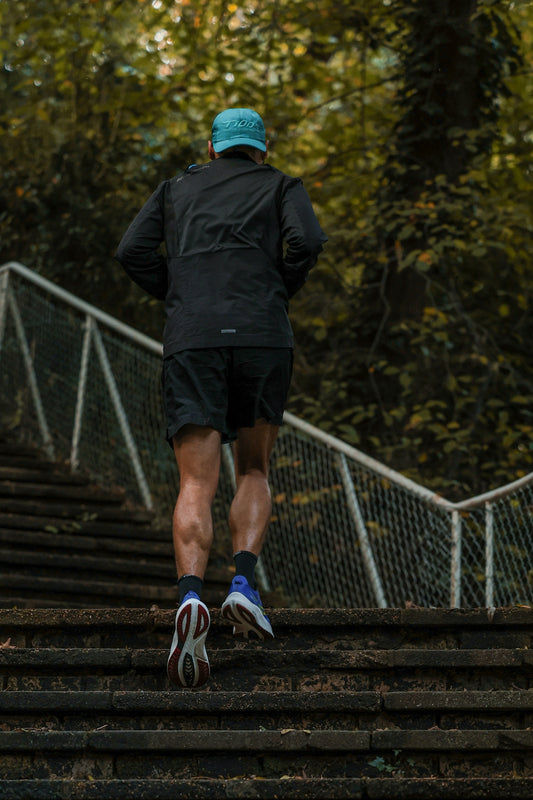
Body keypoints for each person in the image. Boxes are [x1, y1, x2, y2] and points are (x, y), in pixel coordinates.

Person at [115, 107, 326, 689]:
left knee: (194, 483)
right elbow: (305, 241)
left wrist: (179, 293)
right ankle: (242, 585)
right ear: (261, 148)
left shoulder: (174, 188)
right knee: (253, 467)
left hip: (194, 340)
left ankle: (189, 598)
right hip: (262, 335)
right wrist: (279, 288)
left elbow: (131, 251)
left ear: (211, 148)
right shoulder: (282, 185)